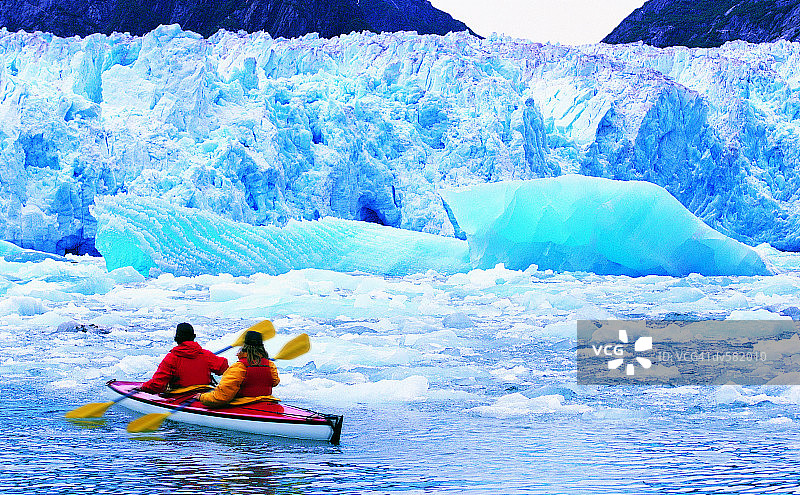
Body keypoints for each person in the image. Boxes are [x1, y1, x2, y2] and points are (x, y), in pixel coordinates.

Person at [196, 330, 280, 407]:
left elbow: (222, 397)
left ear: (244, 345)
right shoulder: (270, 364)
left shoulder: (239, 367)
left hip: (243, 404)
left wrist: (202, 397)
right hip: (266, 402)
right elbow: (275, 382)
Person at [139, 322, 229, 394]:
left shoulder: (172, 358)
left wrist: (142, 388)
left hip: (180, 396)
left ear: (176, 338)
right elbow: (223, 367)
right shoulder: (205, 354)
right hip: (204, 394)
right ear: (193, 337)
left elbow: (156, 385)